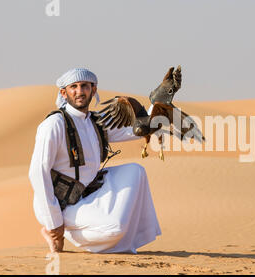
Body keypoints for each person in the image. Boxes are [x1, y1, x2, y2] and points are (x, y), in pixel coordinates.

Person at [28, 68, 161, 253]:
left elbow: (137, 129)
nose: (80, 91)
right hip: (60, 203)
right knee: (115, 228)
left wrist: (159, 103)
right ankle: (58, 232)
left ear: (93, 89)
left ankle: (113, 234)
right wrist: (53, 222)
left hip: (90, 191)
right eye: (73, 86)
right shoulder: (54, 124)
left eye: (84, 86)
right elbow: (38, 172)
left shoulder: (96, 122)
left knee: (136, 171)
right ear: (63, 93)